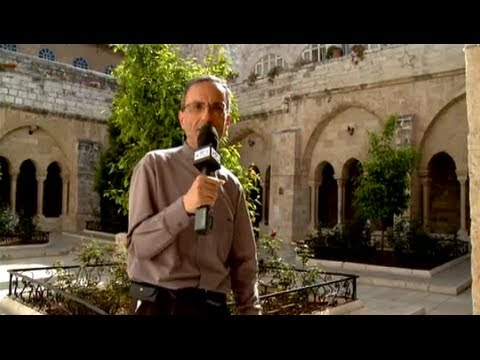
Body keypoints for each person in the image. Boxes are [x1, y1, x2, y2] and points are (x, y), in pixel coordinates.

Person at [126, 74, 262, 315]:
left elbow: (245, 264)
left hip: (213, 308)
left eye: (217, 108)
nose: (207, 117)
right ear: (182, 118)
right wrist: (185, 206)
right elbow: (139, 247)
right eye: (197, 106)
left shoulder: (232, 186)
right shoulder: (154, 166)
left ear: (227, 122)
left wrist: (251, 310)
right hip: (160, 306)